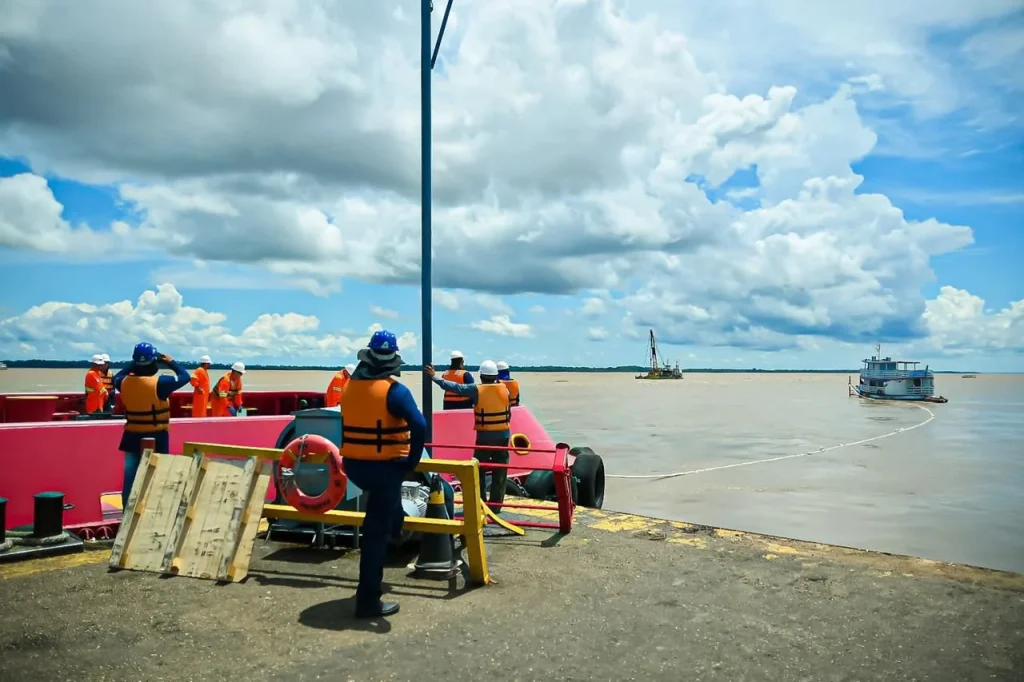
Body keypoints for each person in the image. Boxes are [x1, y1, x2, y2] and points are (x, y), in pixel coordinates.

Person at [339, 330, 426, 618]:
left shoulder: (349, 386)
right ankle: (368, 601)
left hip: (354, 465)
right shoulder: (395, 391)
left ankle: (396, 523)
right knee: (375, 535)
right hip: (385, 468)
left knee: (385, 510)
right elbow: (419, 425)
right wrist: (411, 461)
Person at [426, 359, 511, 513]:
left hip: (484, 437)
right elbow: (509, 413)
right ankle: (496, 506)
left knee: (478, 470)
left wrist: (434, 377)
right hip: (503, 436)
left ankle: (480, 504)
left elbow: (455, 387)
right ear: (495, 375)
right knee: (501, 471)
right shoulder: (505, 389)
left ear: (481, 376)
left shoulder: (476, 389)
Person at [112, 343, 191, 508]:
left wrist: (136, 361)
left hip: (131, 436)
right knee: (158, 476)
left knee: (130, 479)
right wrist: (171, 361)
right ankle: (155, 511)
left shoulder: (123, 382)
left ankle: (127, 512)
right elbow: (185, 376)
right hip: (157, 437)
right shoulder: (160, 384)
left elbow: (116, 376)